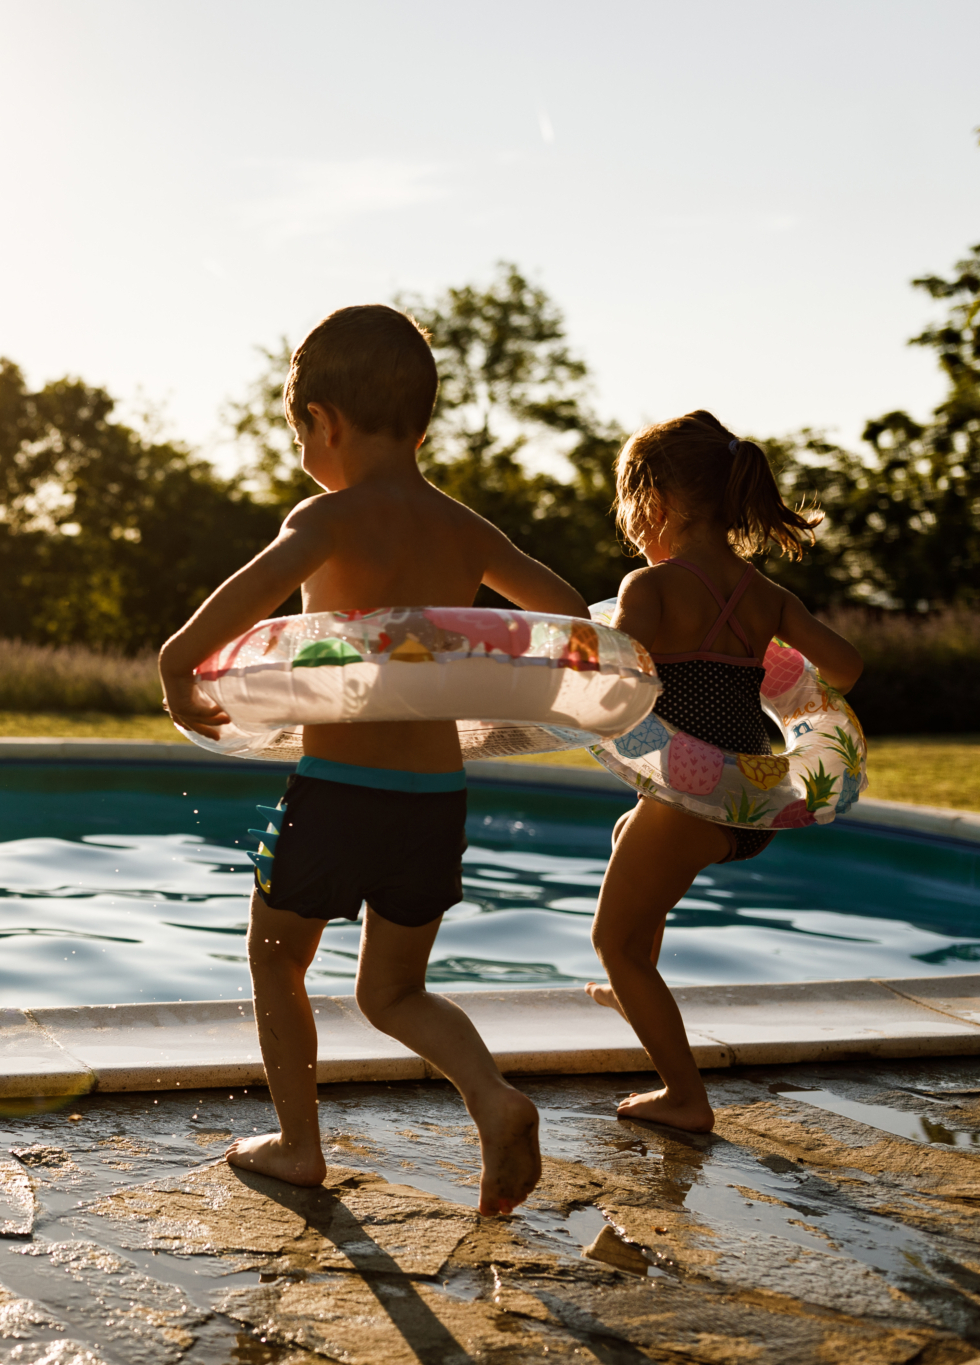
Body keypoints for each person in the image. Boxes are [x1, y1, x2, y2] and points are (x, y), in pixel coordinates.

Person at [161, 304, 586, 1216]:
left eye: (297, 432)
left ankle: (299, 1145)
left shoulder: (327, 518)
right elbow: (566, 620)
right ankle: (493, 1095)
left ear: (324, 420)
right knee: (396, 989)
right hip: (435, 796)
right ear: (422, 420)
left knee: (276, 960)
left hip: (338, 789)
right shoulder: (466, 531)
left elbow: (244, 601)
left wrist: (175, 659)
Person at [586, 412, 862, 1132]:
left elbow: (609, 676)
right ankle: (634, 990)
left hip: (690, 798)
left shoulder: (650, 588)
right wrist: (787, 672)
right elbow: (849, 667)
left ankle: (685, 1095)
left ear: (658, 504)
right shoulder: (764, 594)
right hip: (751, 803)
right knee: (626, 831)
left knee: (613, 941)